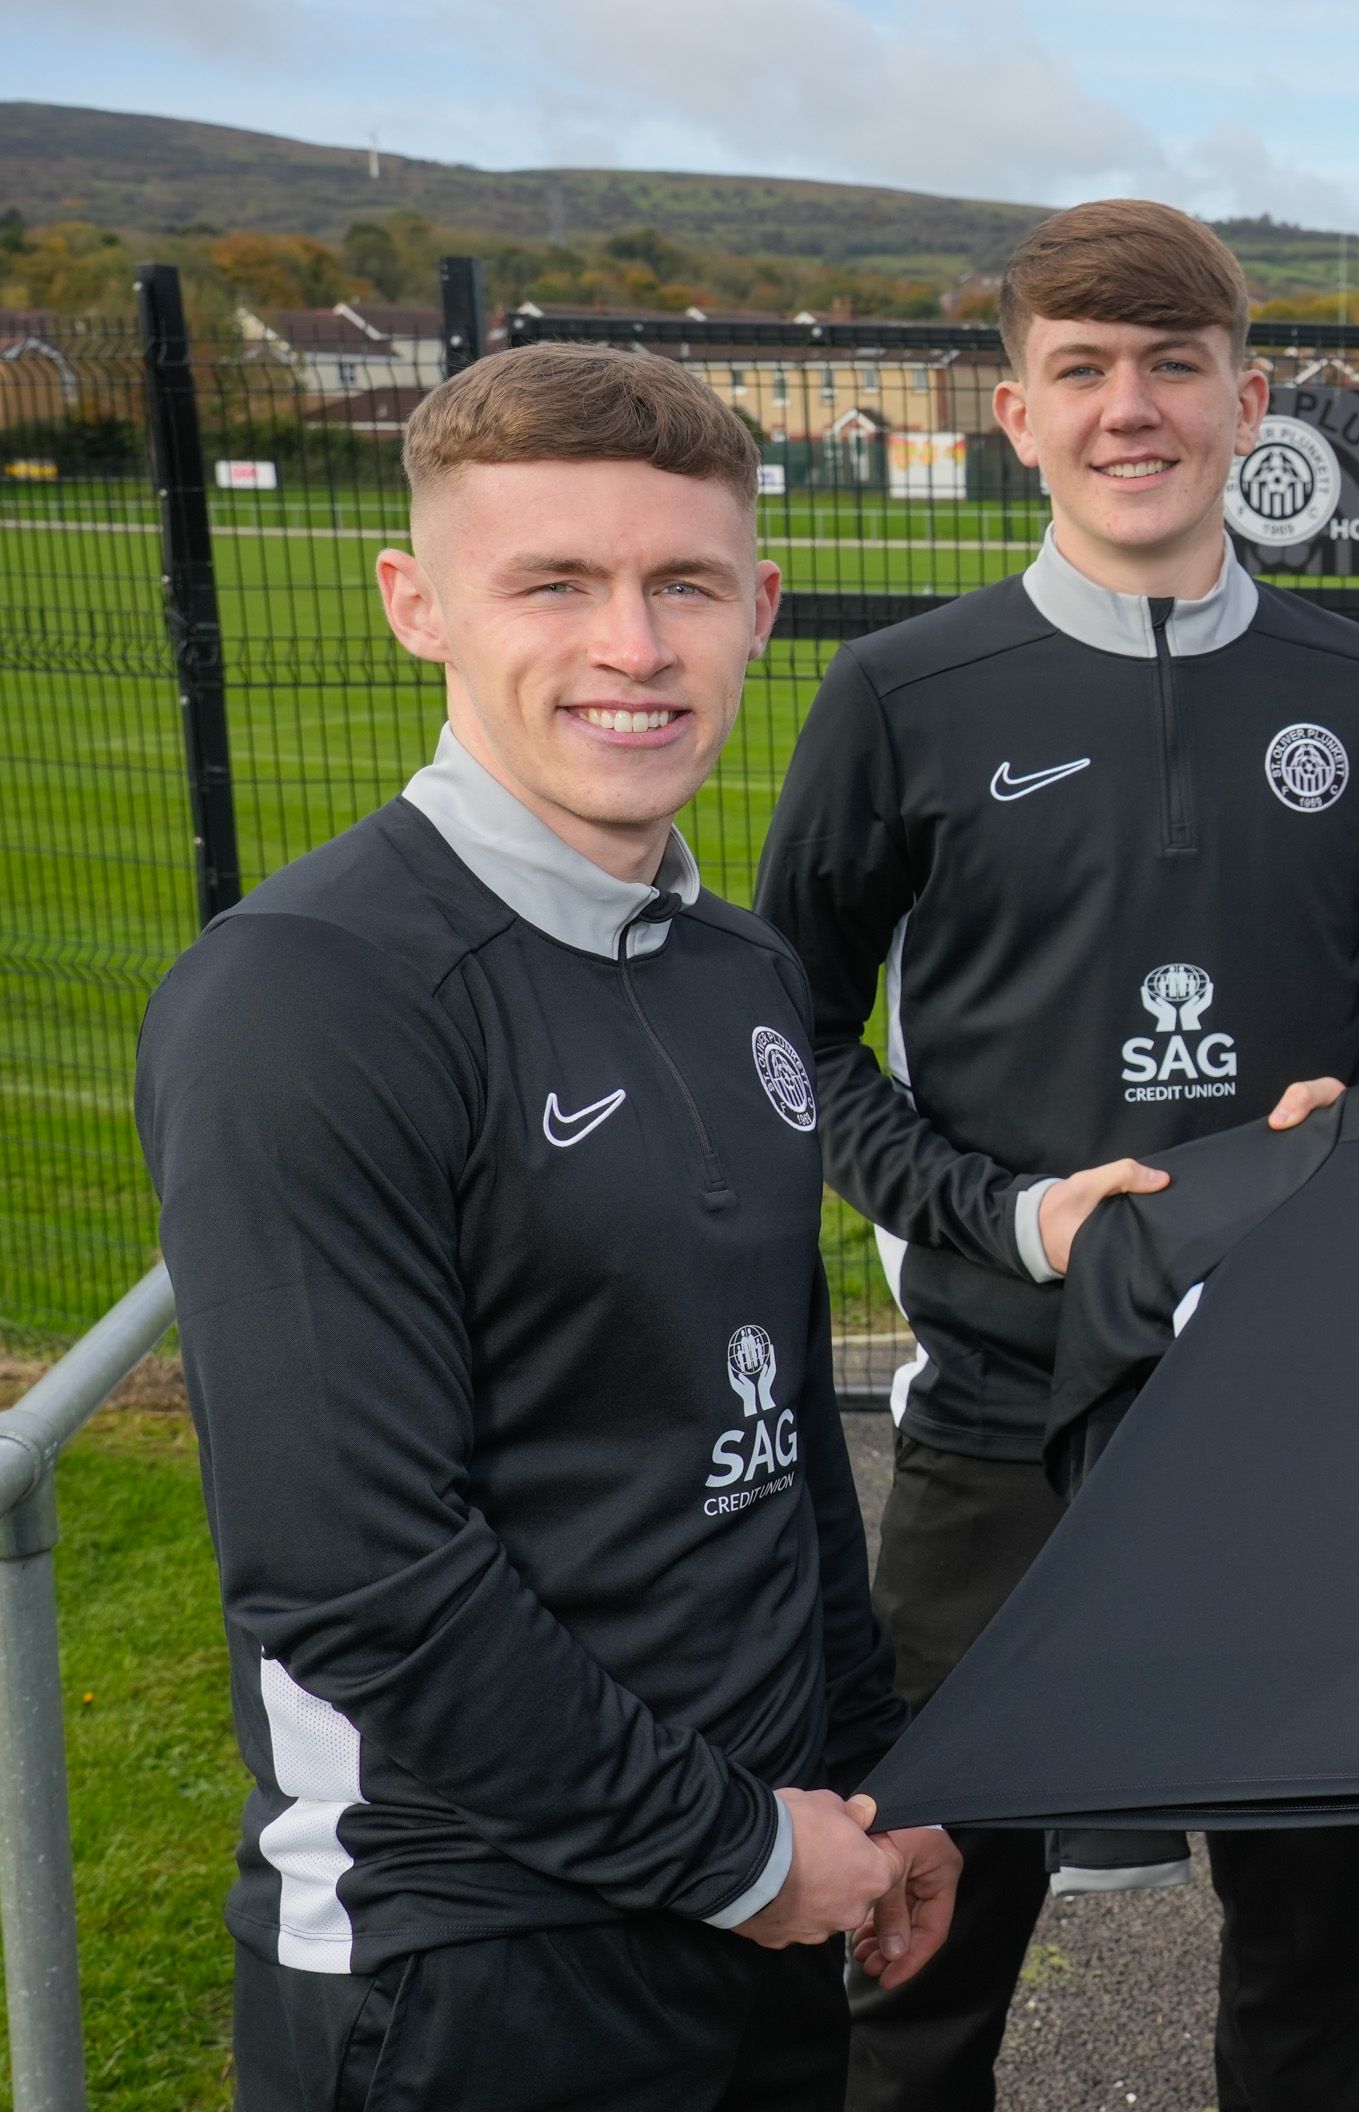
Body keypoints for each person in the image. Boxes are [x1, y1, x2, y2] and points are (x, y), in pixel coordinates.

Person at [135, 342, 957, 2112]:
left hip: (756, 1897)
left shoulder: (741, 970)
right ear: (415, 603)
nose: (634, 647)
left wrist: (874, 1788)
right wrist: (737, 1850)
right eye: (555, 584)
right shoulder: (307, 997)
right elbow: (353, 1580)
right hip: (468, 1952)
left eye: (685, 584)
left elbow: (780, 1433)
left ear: (764, 606)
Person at [752, 199, 1359, 2112]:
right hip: (1000, 1410)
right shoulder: (898, 696)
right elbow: (794, 1043)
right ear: (1016, 412)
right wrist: (997, 1213)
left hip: (1289, 1410)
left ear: (1253, 403)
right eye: (1082, 369)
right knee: (922, 1951)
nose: (1130, 409)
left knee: (1306, 1958)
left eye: (1174, 367)